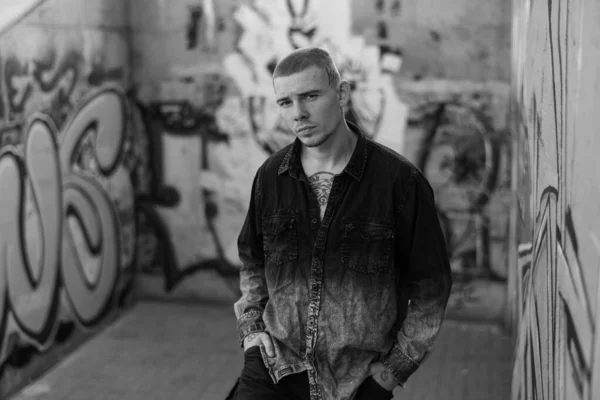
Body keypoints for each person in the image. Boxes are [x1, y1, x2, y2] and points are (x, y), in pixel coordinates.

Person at [230, 47, 452, 400]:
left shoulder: (399, 182)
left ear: (343, 94)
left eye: (310, 96)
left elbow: (431, 288)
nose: (298, 113)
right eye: (285, 102)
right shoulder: (271, 176)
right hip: (274, 369)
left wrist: (394, 372)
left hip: (356, 385)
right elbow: (253, 260)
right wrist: (252, 329)